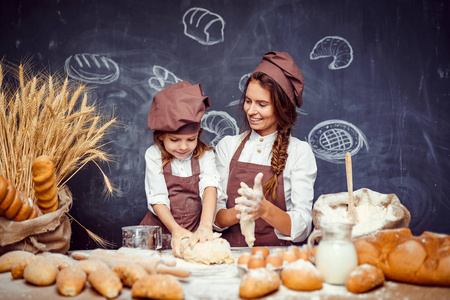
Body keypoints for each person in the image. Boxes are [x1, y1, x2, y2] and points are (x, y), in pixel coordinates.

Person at [214, 51, 317, 247]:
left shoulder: (299, 152)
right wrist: (243, 210)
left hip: (276, 260)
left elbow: (303, 228)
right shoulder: (228, 146)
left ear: (283, 108)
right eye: (248, 101)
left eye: (262, 104)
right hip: (229, 258)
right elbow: (215, 219)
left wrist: (264, 210)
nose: (251, 111)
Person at [140, 81, 220, 257]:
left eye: (191, 139)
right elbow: (158, 197)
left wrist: (205, 227)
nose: (183, 146)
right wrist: (175, 230)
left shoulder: (206, 155)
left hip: (193, 233)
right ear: (161, 137)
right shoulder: (153, 155)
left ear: (198, 135)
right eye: (174, 140)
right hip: (157, 234)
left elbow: (209, 188)